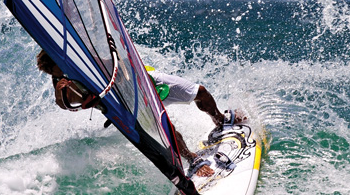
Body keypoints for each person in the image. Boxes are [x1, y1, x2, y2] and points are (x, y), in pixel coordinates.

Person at [36, 50, 234, 177]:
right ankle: (192, 160)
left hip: (144, 81)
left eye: (56, 69)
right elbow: (65, 105)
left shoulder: (85, 60)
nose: (59, 74)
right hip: (129, 103)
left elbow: (118, 61)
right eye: (53, 74)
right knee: (167, 127)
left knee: (199, 92)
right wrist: (61, 92)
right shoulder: (62, 83)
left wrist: (121, 76)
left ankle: (220, 120)